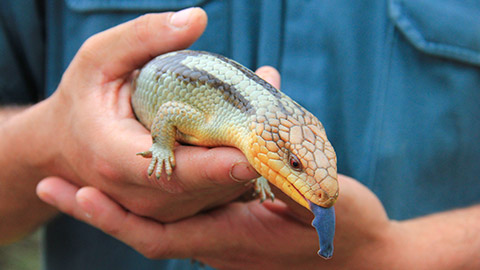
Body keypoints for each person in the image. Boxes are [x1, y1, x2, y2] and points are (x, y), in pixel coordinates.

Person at [1, 1, 479, 269]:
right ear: (268, 145)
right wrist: (53, 142)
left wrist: (392, 255)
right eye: (294, 165)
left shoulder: (252, 133)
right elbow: (166, 110)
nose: (322, 191)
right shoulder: (225, 126)